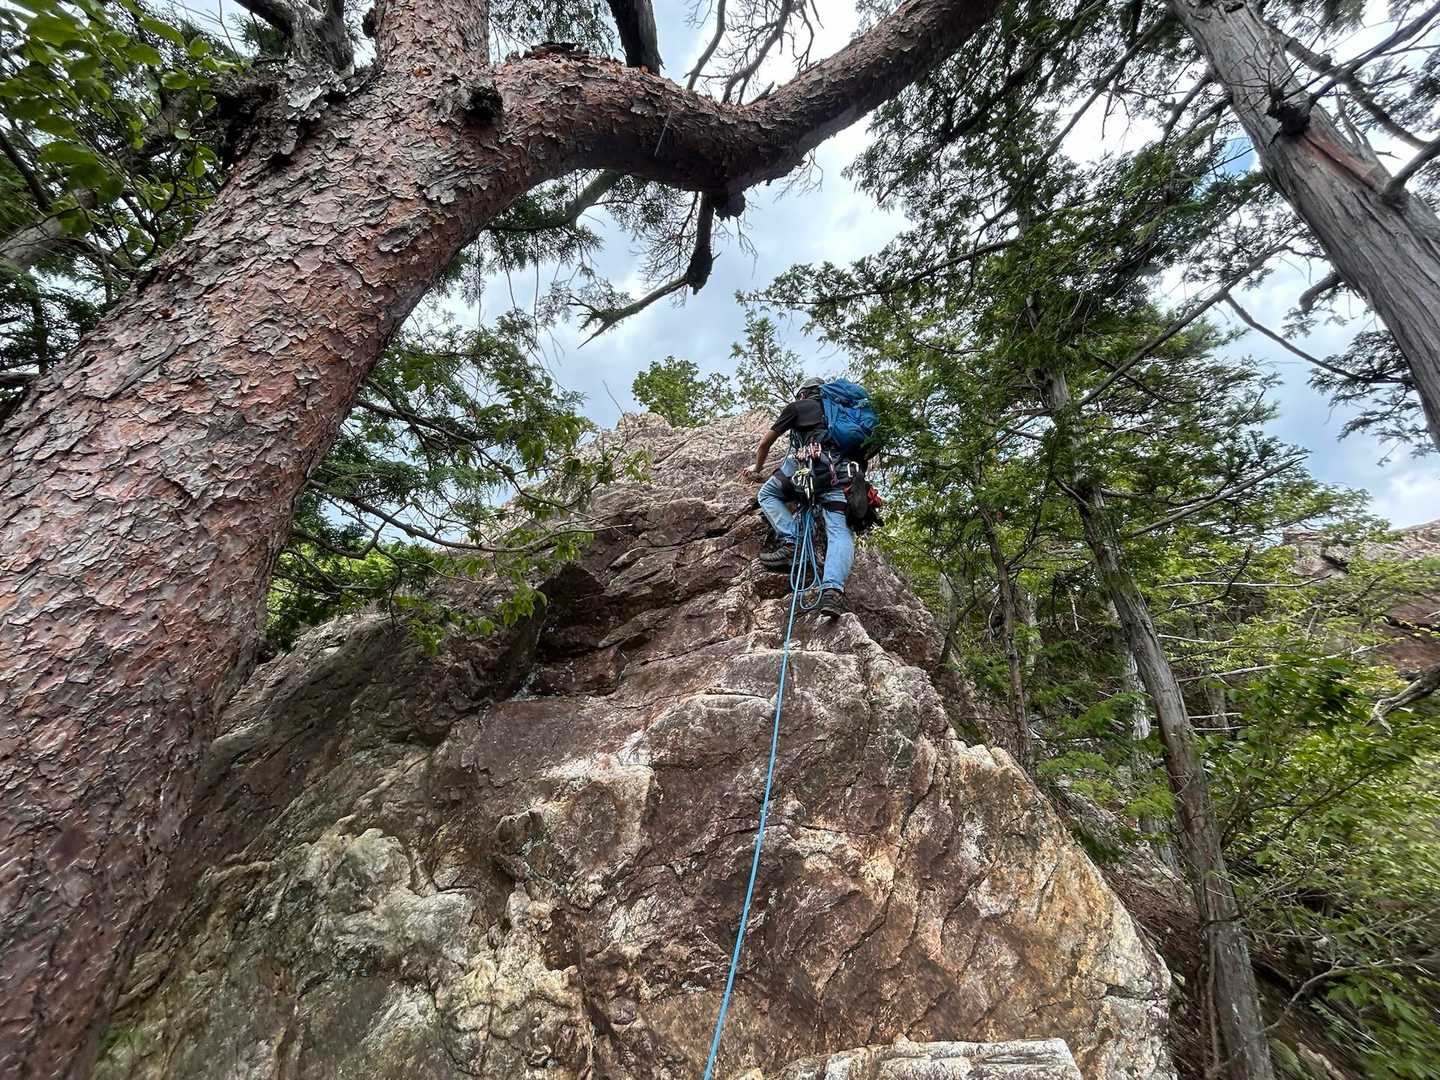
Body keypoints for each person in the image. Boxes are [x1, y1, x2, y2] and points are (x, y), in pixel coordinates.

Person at [741, 377, 859, 617]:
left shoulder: (798, 407)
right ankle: (832, 593)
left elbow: (764, 444)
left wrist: (757, 468)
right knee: (839, 532)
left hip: (811, 468)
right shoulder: (845, 413)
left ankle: (792, 541)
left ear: (803, 394)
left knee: (767, 494)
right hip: (843, 476)